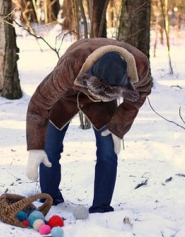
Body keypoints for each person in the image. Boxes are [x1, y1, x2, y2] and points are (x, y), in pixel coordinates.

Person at [25, 38, 152, 213]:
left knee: (108, 152)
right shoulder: (71, 65)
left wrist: (119, 125)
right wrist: (35, 148)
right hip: (67, 95)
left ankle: (101, 208)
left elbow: (142, 93)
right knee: (49, 148)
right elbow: (38, 104)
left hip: (104, 107)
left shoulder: (140, 67)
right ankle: (49, 198)